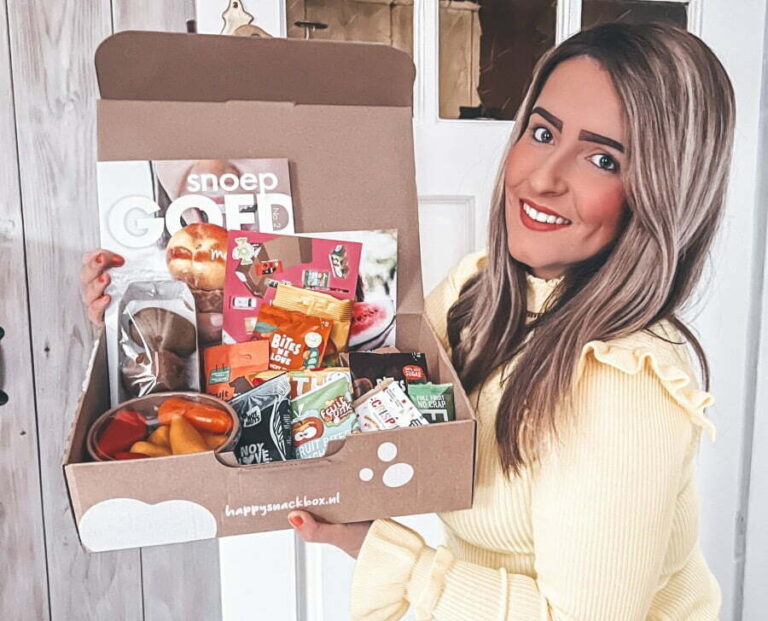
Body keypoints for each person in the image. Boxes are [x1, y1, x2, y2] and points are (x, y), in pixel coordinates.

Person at [81, 22, 733, 620]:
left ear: (662, 192)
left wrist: (382, 552)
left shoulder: (622, 384)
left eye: (603, 158)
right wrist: (153, 326)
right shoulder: (482, 293)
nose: (543, 178)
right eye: (542, 132)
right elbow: (340, 364)